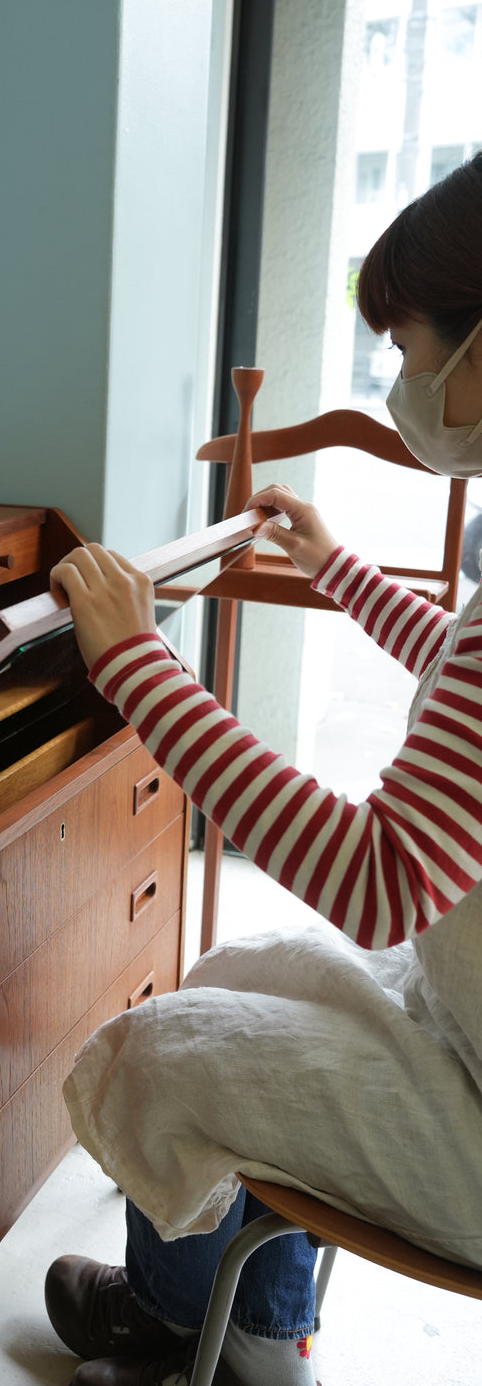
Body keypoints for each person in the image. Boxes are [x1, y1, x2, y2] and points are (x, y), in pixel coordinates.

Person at [44, 151, 482, 1386]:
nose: (401, 385)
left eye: (406, 351)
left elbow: (383, 875)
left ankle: (184, 1323)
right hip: (463, 1015)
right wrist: (339, 567)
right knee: (236, 968)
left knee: (160, 1051)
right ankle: (257, 1321)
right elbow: (464, 669)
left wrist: (136, 664)